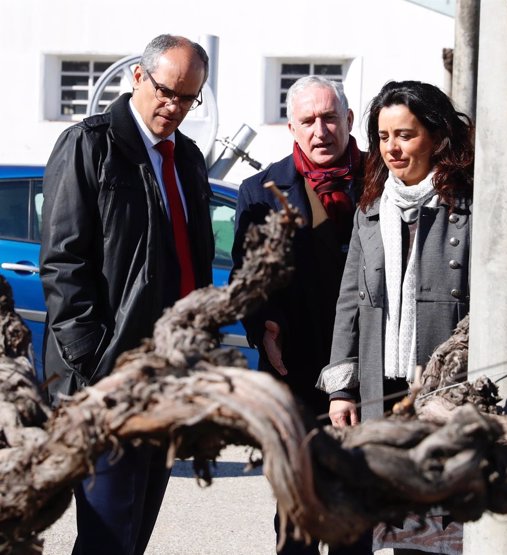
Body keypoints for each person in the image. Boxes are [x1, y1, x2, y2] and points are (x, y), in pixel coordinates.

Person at [40, 34, 214, 555]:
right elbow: (64, 262)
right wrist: (96, 364)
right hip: (107, 381)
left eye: (188, 98)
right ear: (138, 77)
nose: (175, 107)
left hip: (167, 378)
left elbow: (195, 260)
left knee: (135, 531)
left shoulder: (188, 158)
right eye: (166, 92)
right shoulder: (88, 143)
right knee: (107, 535)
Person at [317, 80, 473, 554]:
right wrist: (342, 389)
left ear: (439, 136)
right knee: (396, 524)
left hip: (447, 387)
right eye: (384, 137)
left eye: (405, 135)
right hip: (381, 390)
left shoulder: (468, 208)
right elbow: (350, 301)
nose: (392, 148)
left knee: (447, 525)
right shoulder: (371, 207)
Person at [231, 75, 368, 554]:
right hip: (296, 367)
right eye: (308, 121)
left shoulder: (382, 180)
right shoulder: (260, 191)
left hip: (372, 372)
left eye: (330, 118)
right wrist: (262, 323)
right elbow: (246, 277)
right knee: (297, 510)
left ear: (349, 120)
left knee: (357, 506)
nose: (320, 130)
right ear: (292, 128)